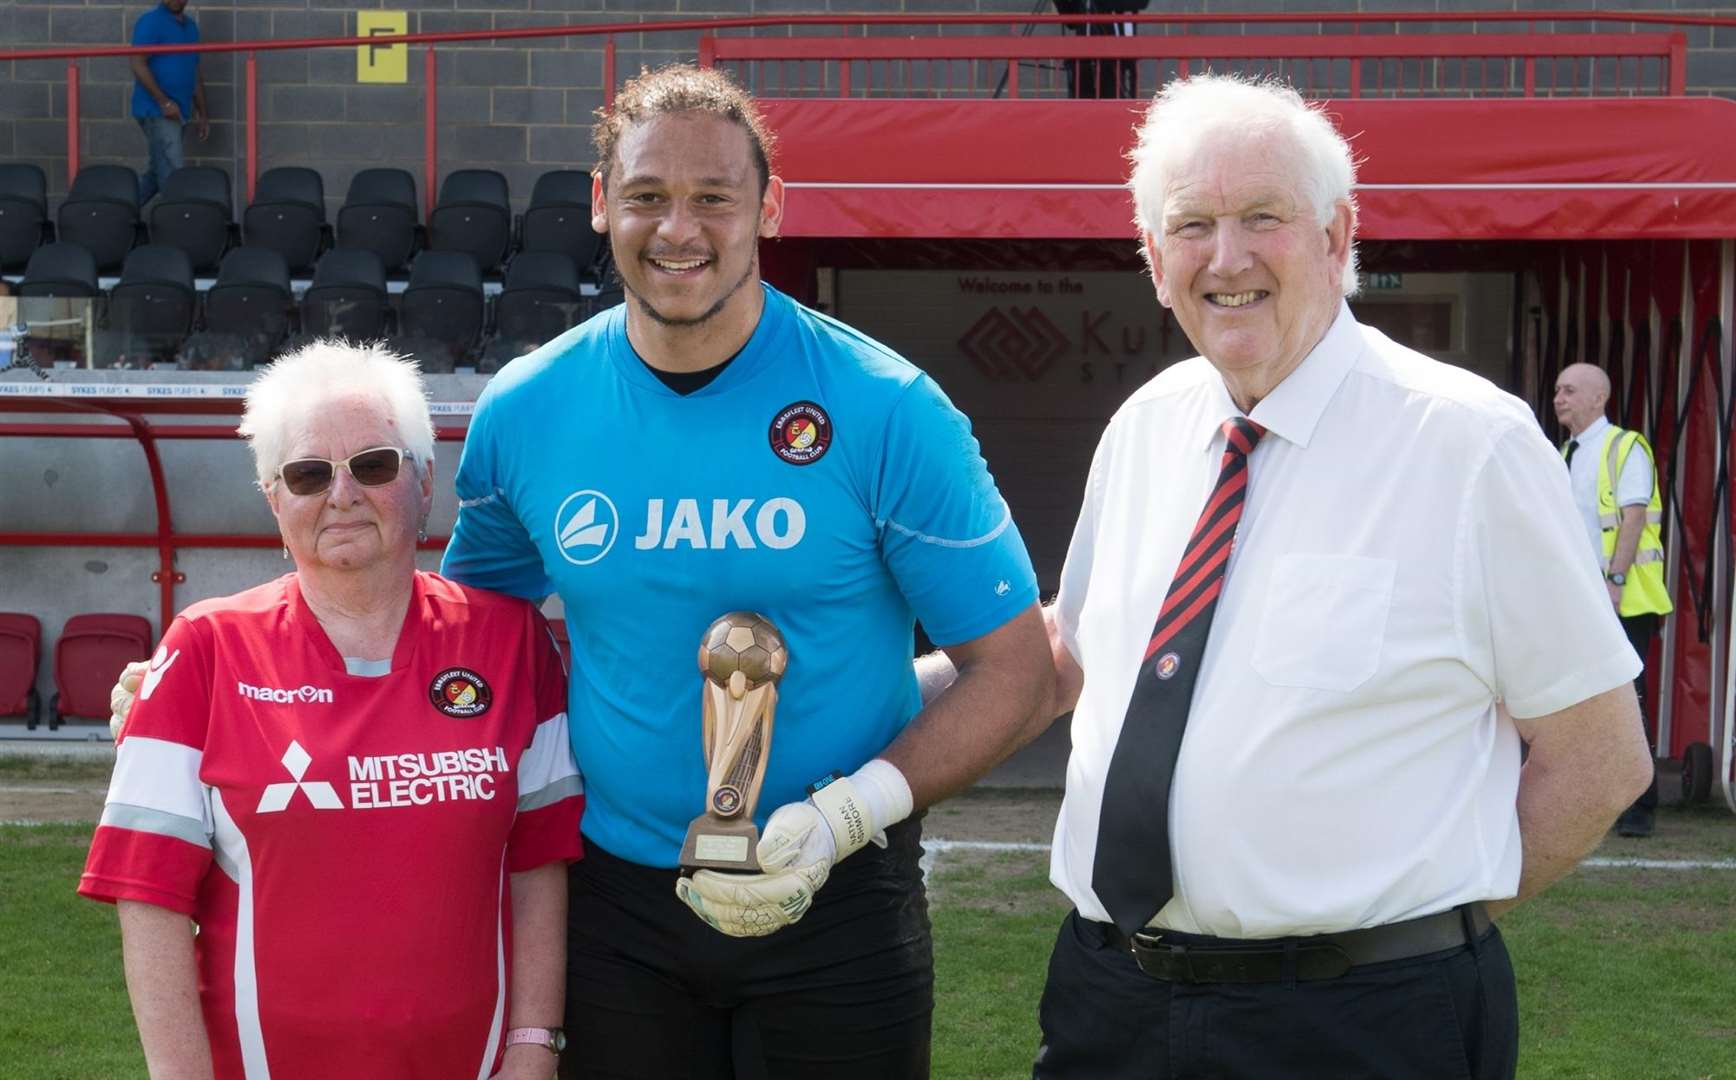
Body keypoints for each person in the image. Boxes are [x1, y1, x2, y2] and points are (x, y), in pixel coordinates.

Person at [1003, 74, 1652, 1078]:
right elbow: (1071, 653)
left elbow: (1600, 756)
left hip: (1361, 1021)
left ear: (1335, 236)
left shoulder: (1465, 443)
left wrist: (1415, 923)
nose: (1226, 258)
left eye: (1262, 217)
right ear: (1150, 258)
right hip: (1108, 1001)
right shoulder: (1145, 425)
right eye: (1190, 226)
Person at [441, 64, 1053, 1078]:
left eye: (712, 198)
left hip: (838, 902)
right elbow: (464, 642)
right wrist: (215, 677)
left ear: (768, 206)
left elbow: (1015, 670)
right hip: (613, 908)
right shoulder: (526, 410)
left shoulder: (885, 407)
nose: (676, 228)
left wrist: (849, 814)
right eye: (645, 196)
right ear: (600, 204)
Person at [83, 341, 583, 1079]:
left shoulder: (511, 641)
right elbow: (147, 895)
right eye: (308, 474)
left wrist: (533, 1046)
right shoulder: (205, 648)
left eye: (373, 465)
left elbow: (539, 863)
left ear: (423, 478)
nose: (341, 494)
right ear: (274, 499)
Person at [1554, 361, 1672, 837]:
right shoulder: (1567, 452)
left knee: (1629, 703)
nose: (1558, 397)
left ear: (1598, 398)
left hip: (1623, 599)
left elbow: (1634, 516)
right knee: (1579, 703)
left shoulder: (1625, 448)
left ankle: (1641, 806)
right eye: (1558, 389)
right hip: (1581, 600)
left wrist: (1616, 579)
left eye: (1569, 390)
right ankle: (1595, 802)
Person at [130, 0, 209, 205]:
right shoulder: (150, 22)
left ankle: (117, 215)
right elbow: (137, 64)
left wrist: (203, 113)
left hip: (179, 111)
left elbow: (194, 71)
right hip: (156, 110)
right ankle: (175, 226)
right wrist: (164, 102)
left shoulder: (191, 27)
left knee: (157, 173)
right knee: (172, 174)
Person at [1052, 0, 1149, 99]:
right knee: (1082, 108)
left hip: (1113, 57)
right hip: (1083, 59)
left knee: (1113, 104)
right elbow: (1071, 21)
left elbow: (1141, 3)